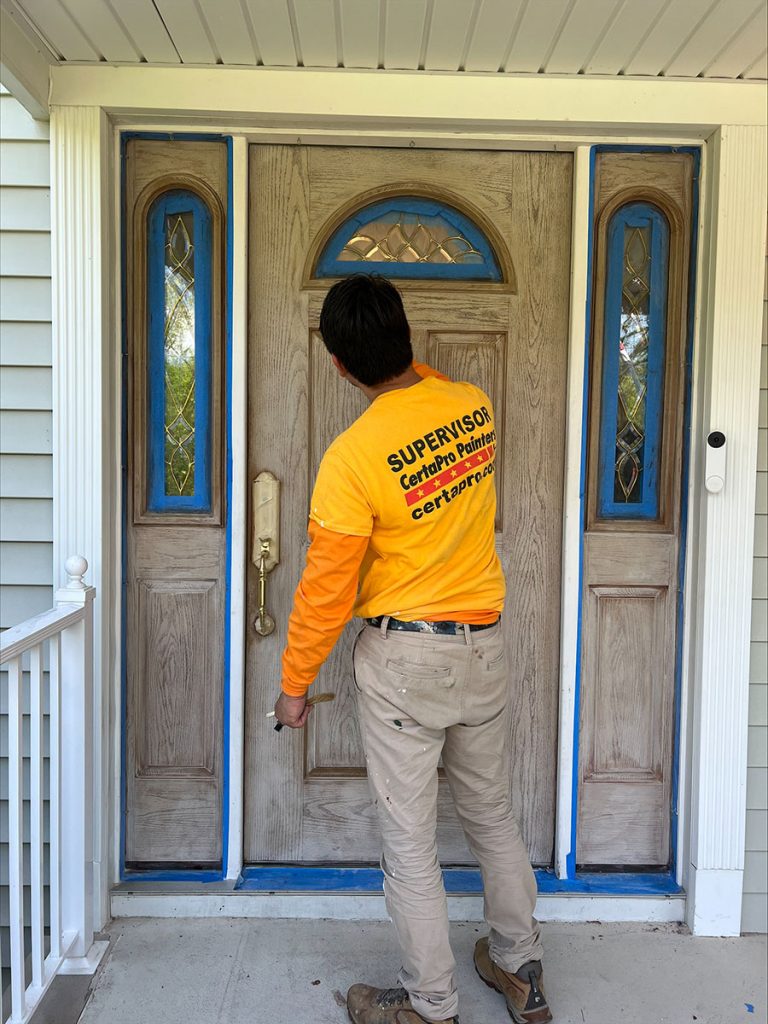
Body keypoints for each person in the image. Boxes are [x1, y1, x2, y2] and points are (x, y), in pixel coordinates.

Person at [273, 274, 552, 1024]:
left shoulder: (352, 457)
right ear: (409, 337)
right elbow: (424, 388)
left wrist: (295, 683)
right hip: (484, 649)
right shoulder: (472, 408)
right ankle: (522, 968)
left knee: (410, 846)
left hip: (407, 662)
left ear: (338, 365)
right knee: (492, 814)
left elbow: (327, 588)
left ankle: (431, 1005)